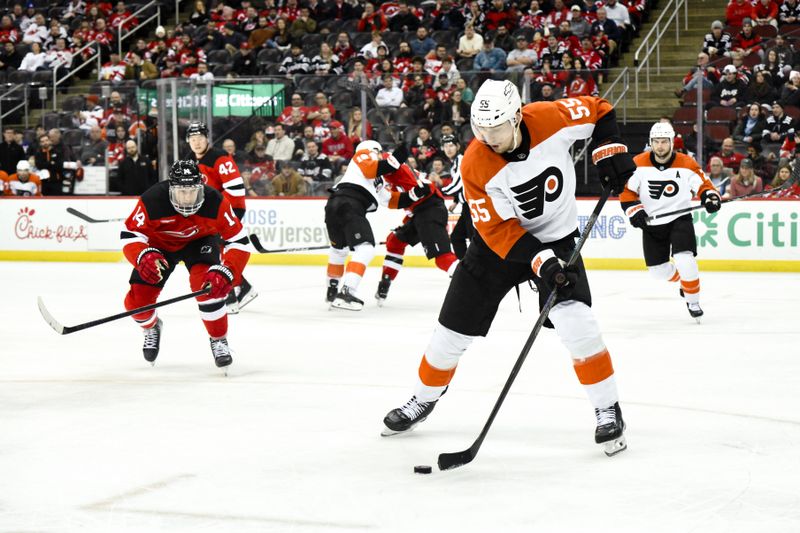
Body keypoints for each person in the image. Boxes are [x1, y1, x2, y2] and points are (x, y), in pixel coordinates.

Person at [381, 80, 634, 458]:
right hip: (495, 250)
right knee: (449, 335)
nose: (487, 137)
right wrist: (541, 262)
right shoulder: (475, 162)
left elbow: (599, 110)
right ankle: (422, 399)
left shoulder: (551, 117)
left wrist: (608, 150)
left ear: (517, 117)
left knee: (578, 324)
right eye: (479, 129)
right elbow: (499, 230)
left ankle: (607, 408)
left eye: (495, 128)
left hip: (558, 238)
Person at [120, 160, 251, 372]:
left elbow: (240, 240)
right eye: (182, 192)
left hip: (200, 243)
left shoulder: (215, 201)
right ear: (171, 189)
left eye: (192, 192)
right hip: (159, 246)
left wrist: (228, 270)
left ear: (202, 187)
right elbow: (130, 234)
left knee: (208, 288)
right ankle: (151, 327)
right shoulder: (153, 199)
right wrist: (142, 255)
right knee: (137, 301)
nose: (188, 198)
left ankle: (218, 339)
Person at [620, 122, 721, 322]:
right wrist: (634, 210)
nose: (660, 146)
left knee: (685, 259)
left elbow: (704, 185)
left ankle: (693, 301)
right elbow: (627, 191)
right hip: (651, 223)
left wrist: (710, 197)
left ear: (672, 142)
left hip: (679, 219)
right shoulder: (638, 163)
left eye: (664, 141)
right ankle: (684, 282)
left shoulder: (686, 163)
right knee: (658, 271)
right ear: (650, 142)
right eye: (656, 141)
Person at [323, 140, 409, 311]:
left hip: (335, 205)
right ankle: (347, 292)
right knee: (365, 249)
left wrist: (414, 196)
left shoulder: (376, 178)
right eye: (379, 152)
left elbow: (388, 200)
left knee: (339, 251)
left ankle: (332, 291)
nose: (380, 155)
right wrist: (397, 158)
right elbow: (372, 168)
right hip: (349, 204)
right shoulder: (363, 155)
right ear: (374, 149)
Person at [186, 121, 257, 313]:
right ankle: (244, 288)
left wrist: (216, 212)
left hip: (230, 209)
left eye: (200, 138)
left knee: (217, 251)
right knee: (213, 249)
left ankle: (229, 297)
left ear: (207, 138)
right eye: (193, 139)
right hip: (210, 213)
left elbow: (235, 190)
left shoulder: (220, 158)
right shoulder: (190, 161)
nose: (197, 143)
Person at [373, 150, 459, 306]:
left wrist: (400, 151)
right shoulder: (385, 179)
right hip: (419, 213)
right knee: (394, 241)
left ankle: (473, 283)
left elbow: (393, 165)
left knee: (442, 258)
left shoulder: (388, 164)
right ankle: (385, 283)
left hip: (429, 208)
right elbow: (400, 202)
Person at [438, 135, 472, 259]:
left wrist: (440, 191)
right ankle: (466, 267)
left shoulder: (461, 159)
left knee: (474, 240)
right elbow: (465, 183)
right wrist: (457, 200)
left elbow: (459, 183)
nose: (448, 149)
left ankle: (473, 269)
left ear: (457, 146)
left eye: (451, 145)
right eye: (446, 146)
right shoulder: (455, 162)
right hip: (466, 206)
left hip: (472, 206)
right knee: (457, 237)